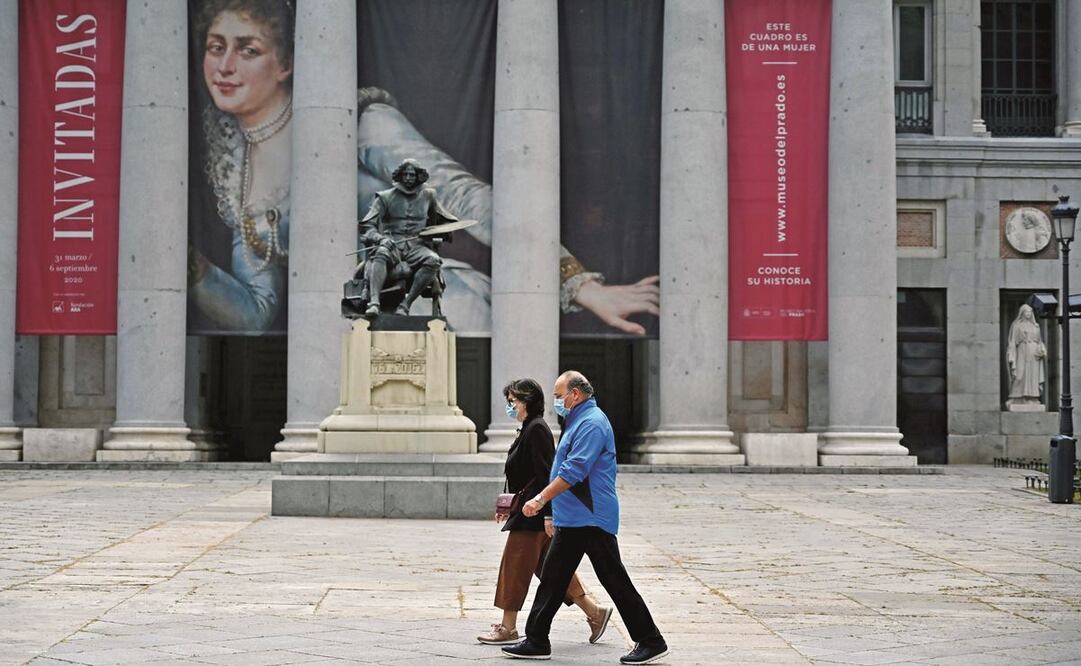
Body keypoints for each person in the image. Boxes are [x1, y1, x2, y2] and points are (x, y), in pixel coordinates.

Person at [355, 89, 660, 335]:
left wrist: (578, 283)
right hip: (344, 311)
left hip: (412, 300)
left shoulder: (364, 123)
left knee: (459, 316)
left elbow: (462, 195)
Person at [502, 372, 669, 665]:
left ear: (575, 394)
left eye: (558, 395)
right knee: (553, 579)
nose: (556, 402)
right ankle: (537, 639)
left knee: (613, 578)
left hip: (590, 517)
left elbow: (574, 470)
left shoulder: (591, 423)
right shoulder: (578, 420)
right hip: (574, 517)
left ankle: (651, 640)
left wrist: (541, 499)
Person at [477, 379, 612, 646]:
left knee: (514, 567)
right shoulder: (527, 428)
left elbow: (546, 474)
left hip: (534, 514)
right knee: (554, 570)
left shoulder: (536, 429)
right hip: (530, 510)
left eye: (513, 400)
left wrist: (547, 512)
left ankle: (508, 627)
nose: (510, 405)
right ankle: (595, 612)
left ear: (527, 401)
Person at [189, 0, 294, 332]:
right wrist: (194, 269)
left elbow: (457, 196)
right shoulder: (238, 181)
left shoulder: (362, 122)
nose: (224, 67)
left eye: (248, 50)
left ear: (285, 63)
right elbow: (256, 313)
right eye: (216, 47)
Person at [357, 159, 457, 316]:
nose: (409, 177)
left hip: (417, 246)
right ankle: (374, 303)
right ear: (400, 176)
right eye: (406, 174)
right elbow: (367, 226)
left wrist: (444, 231)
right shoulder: (385, 197)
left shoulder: (429, 196)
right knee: (381, 252)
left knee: (433, 260)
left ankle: (405, 305)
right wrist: (380, 239)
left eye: (412, 174)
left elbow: (442, 219)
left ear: (418, 176)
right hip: (392, 244)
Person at [1007, 304, 1047, 406]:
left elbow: (1039, 341)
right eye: (1026, 312)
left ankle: (1032, 398)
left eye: (1030, 312)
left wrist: (1041, 349)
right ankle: (1015, 397)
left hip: (1034, 354)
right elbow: (1012, 342)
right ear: (1022, 313)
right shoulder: (1016, 325)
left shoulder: (1036, 326)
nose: (1028, 314)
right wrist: (1011, 355)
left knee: (1033, 375)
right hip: (1021, 351)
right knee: (1019, 374)